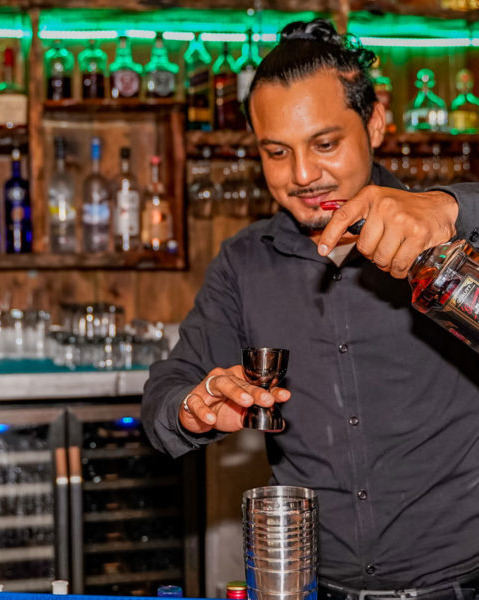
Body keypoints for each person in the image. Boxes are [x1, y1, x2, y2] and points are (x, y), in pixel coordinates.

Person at [141, 18, 479, 600]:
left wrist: (451, 205)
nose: (301, 176)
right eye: (277, 152)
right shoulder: (244, 265)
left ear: (374, 123)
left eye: (325, 144)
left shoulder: (446, 230)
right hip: (315, 587)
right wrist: (192, 407)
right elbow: (163, 398)